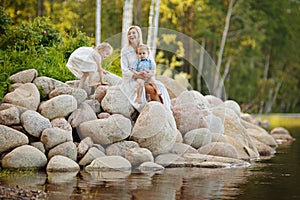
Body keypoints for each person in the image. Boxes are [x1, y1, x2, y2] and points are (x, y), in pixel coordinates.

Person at [120, 25, 171, 111]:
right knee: (151, 89)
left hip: (147, 77)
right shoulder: (125, 50)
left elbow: (153, 65)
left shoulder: (145, 48)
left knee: (160, 87)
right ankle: (159, 111)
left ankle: (165, 110)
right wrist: (138, 75)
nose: (131, 35)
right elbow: (125, 70)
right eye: (129, 33)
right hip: (133, 79)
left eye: (133, 33)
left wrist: (150, 73)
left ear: (139, 35)